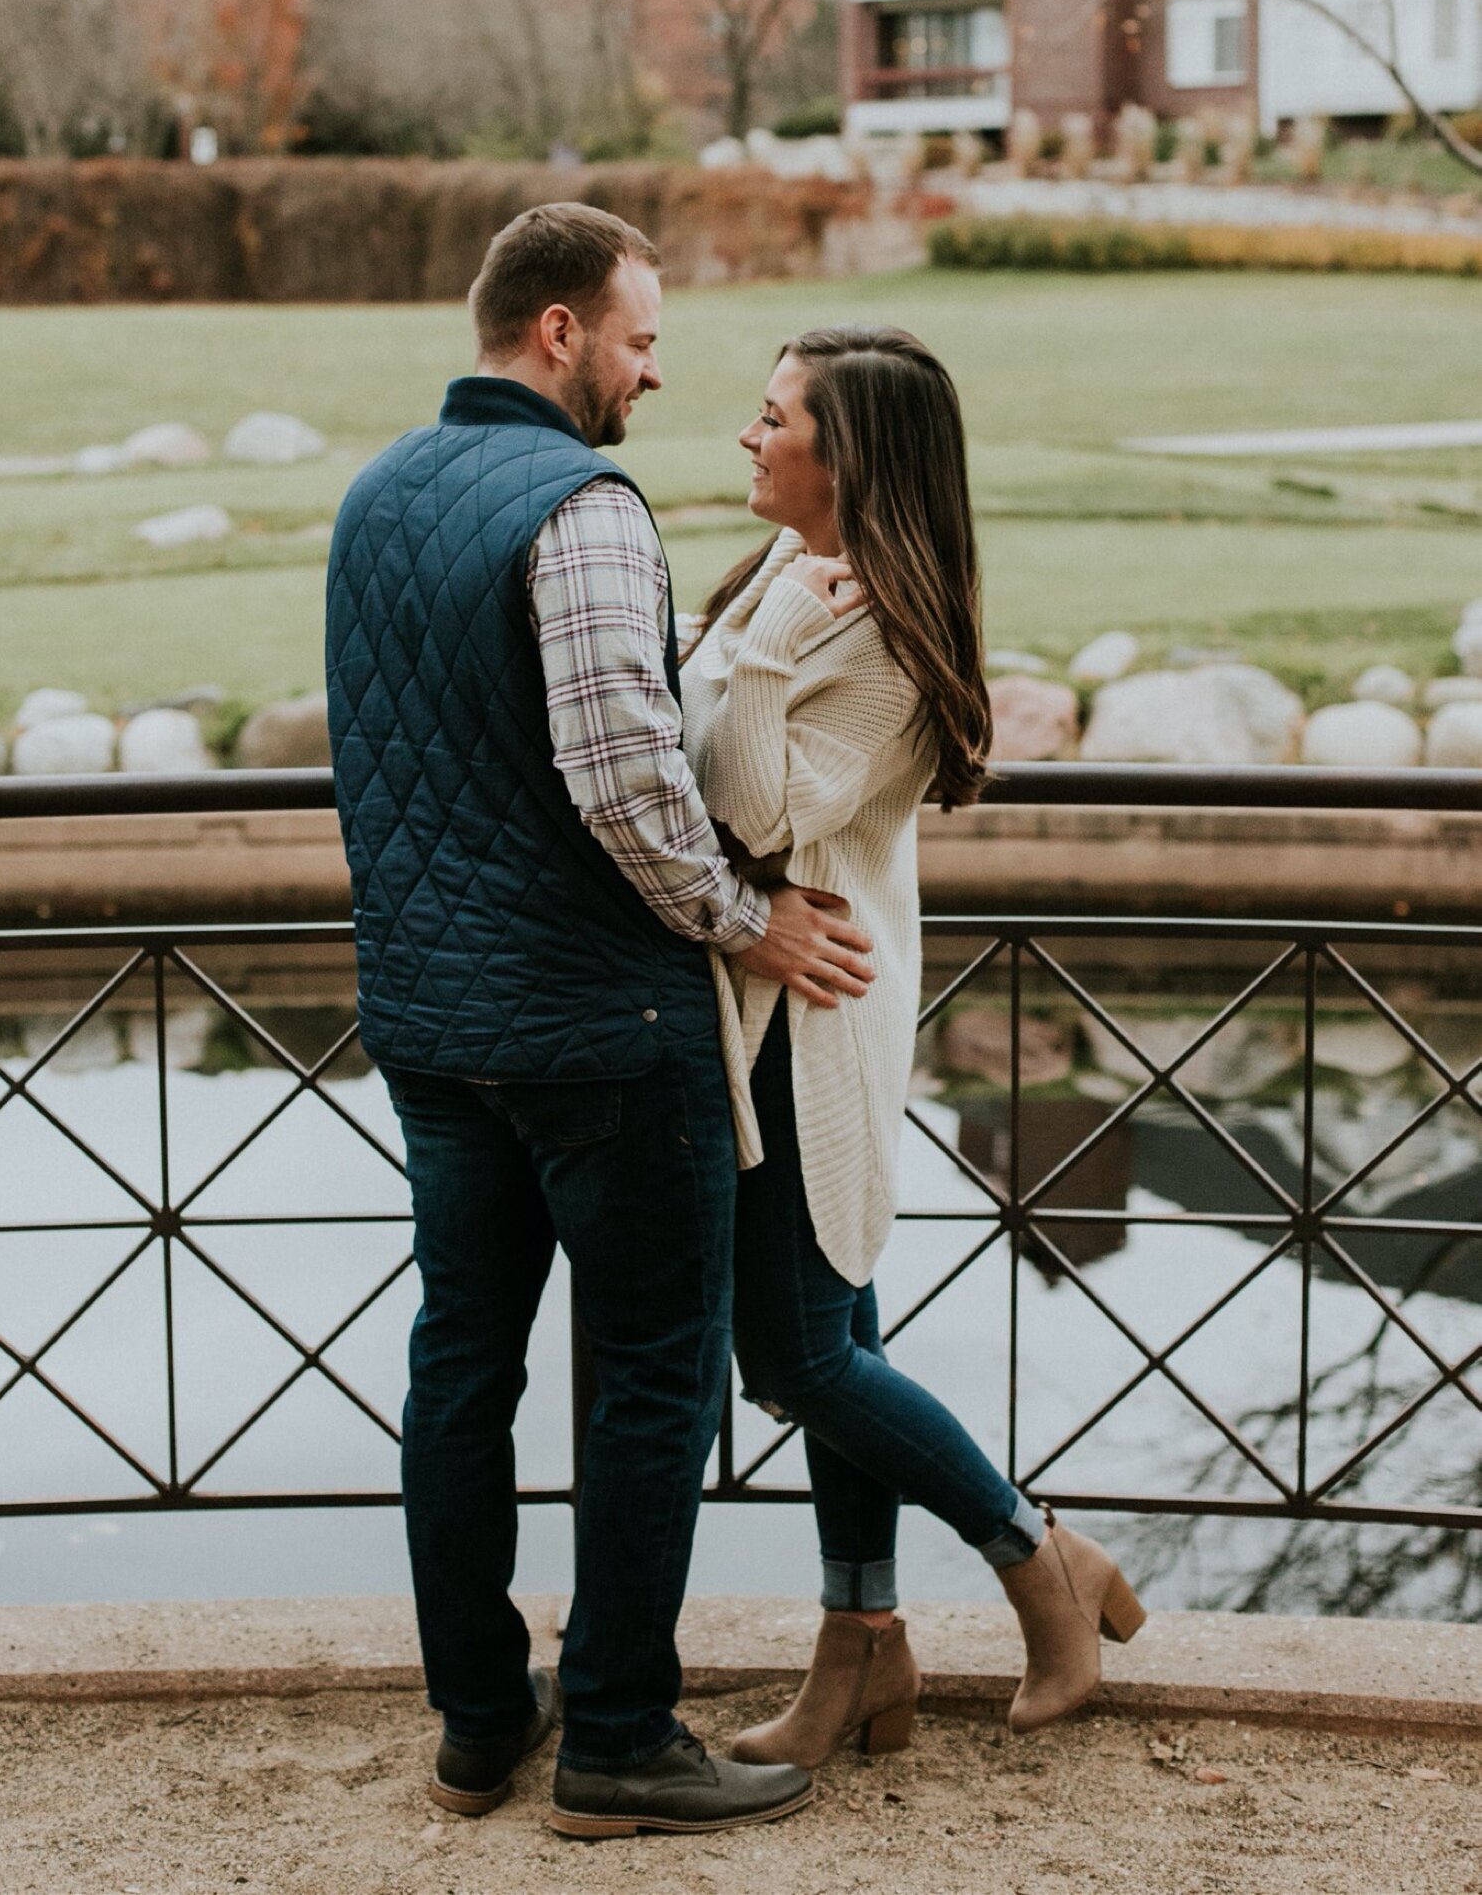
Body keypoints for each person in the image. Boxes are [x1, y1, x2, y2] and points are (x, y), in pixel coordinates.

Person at [325, 206, 876, 1839]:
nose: (654, 373)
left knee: (459, 1371)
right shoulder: (586, 509)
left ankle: (481, 1723)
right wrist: (749, 917)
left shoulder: (373, 497)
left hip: (428, 1025)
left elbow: (391, 760)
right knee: (650, 1381)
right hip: (600, 1033)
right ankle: (621, 1736)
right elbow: (628, 781)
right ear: (558, 333)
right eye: (640, 342)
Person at [679, 326, 1145, 1770]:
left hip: (808, 1030)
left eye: (774, 420)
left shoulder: (879, 634)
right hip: (754, 1009)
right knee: (840, 1341)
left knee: (799, 1355)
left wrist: (752, 660)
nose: (746, 440)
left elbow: (750, 811)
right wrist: (755, 636)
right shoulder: (791, 576)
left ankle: (1032, 1555)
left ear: (849, 457)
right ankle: (860, 1650)